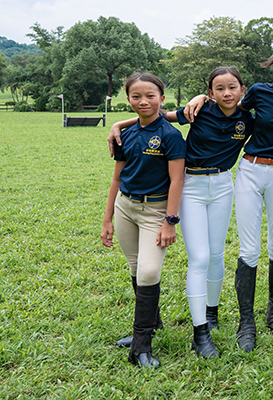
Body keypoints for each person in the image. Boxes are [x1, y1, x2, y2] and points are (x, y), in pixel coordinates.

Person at [109, 67, 254, 359]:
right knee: (199, 258)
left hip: (224, 184)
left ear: (242, 90)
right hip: (192, 187)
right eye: (219, 88)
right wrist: (119, 125)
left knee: (216, 255)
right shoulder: (197, 111)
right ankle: (200, 332)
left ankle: (211, 314)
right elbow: (155, 115)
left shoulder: (248, 119)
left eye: (232, 88)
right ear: (210, 92)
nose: (226, 93)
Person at [183, 43, 273, 352]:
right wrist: (202, 97)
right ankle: (247, 323)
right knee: (249, 249)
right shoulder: (258, 92)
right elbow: (228, 106)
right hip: (250, 170)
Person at [101, 72, 185, 368]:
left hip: (155, 212)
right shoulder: (124, 133)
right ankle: (152, 322)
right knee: (136, 267)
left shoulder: (171, 136)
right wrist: (108, 218)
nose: (143, 101)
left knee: (149, 272)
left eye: (150, 95)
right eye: (136, 96)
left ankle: (140, 347)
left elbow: (177, 181)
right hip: (126, 207)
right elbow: (116, 177)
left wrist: (170, 221)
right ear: (128, 100)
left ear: (162, 99)